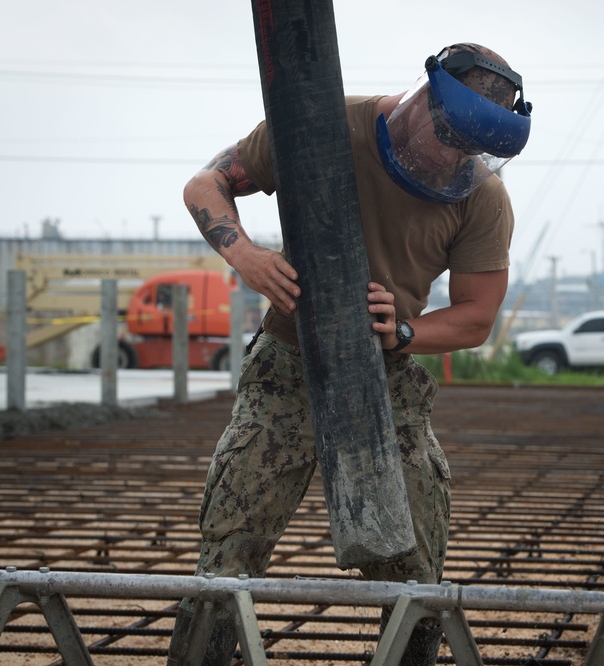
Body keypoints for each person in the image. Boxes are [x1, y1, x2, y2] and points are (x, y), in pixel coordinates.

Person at [167, 42, 532, 665]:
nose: (447, 154)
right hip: (288, 369)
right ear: (424, 95)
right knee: (229, 545)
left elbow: (476, 317)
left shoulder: (480, 198)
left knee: (415, 565)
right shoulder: (323, 126)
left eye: (465, 148)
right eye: (443, 134)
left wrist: (407, 332)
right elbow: (207, 184)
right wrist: (245, 255)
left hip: (385, 382)